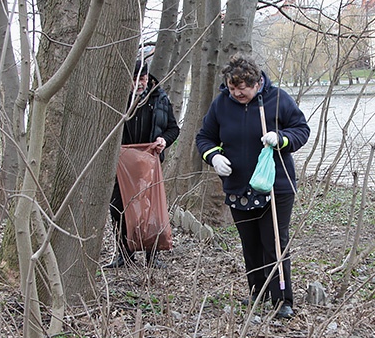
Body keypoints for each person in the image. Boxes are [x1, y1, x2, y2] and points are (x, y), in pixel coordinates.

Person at [196, 54, 310, 319]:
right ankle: (257, 293)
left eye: (242, 89)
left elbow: (301, 129)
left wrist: (280, 138)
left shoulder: (278, 99)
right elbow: (204, 137)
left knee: (274, 243)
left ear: (257, 83)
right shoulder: (222, 104)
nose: (236, 94)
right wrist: (213, 156)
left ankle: (282, 300)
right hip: (238, 187)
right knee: (250, 243)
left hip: (275, 185)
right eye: (232, 88)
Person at [105, 60, 180, 269]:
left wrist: (164, 141)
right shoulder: (118, 98)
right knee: (118, 207)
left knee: (150, 209)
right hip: (121, 165)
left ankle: (152, 255)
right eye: (135, 79)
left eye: (143, 78)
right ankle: (124, 254)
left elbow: (173, 129)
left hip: (149, 164)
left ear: (148, 77)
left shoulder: (159, 98)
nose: (139, 84)